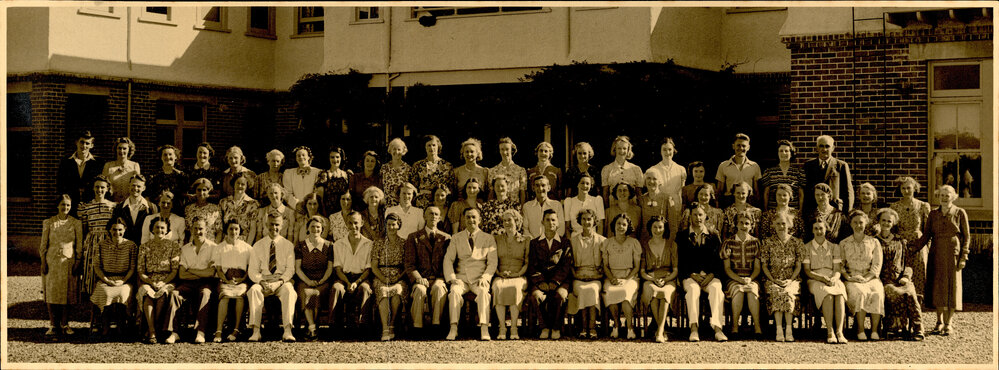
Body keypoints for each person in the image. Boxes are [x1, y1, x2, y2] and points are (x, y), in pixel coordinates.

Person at [911, 185, 970, 337]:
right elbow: (926, 235)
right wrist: (912, 249)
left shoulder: (959, 212)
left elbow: (966, 237)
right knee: (937, 287)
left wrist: (964, 256)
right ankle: (939, 321)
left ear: (954, 196)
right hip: (936, 253)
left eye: (947, 194)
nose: (944, 197)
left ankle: (949, 323)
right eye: (941, 195)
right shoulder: (933, 214)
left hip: (953, 254)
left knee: (952, 286)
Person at [443, 208, 498, 341]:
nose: (471, 220)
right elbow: (448, 259)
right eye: (468, 217)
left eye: (474, 217)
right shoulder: (456, 238)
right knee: (454, 292)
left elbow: (492, 262)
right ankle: (454, 328)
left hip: (479, 278)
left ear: (479, 220)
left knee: (484, 293)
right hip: (461, 278)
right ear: (464, 219)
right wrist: (452, 278)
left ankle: (484, 328)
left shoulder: (488, 238)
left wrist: (486, 277)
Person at [677, 202, 728, 342]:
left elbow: (718, 260)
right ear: (690, 216)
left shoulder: (713, 235)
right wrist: (692, 274)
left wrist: (711, 275)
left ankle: (718, 329)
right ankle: (694, 329)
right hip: (690, 276)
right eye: (695, 214)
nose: (698, 218)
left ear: (705, 216)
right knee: (693, 290)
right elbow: (680, 261)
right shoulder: (682, 236)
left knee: (717, 289)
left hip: (710, 276)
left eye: (700, 214)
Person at [247, 211, 298, 342]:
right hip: (264, 280)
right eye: (271, 224)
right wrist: (262, 281)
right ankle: (256, 331)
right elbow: (252, 270)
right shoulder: (258, 246)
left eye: (277, 225)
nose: (273, 228)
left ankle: (287, 330)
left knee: (289, 291)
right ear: (265, 224)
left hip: (280, 281)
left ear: (282, 226)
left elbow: (290, 269)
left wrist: (279, 282)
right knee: (253, 291)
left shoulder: (288, 245)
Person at [875, 208, 924, 341]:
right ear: (879, 221)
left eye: (889, 221)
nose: (886, 223)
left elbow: (908, 263)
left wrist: (906, 277)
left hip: (901, 279)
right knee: (895, 293)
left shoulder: (900, 241)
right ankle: (893, 327)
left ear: (893, 223)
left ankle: (918, 328)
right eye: (883, 220)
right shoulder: (874, 241)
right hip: (884, 280)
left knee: (910, 293)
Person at [39, 194, 83, 338]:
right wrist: (43, 262)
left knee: (66, 293)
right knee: (51, 293)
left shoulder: (76, 223)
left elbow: (79, 245)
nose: (65, 208)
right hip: (52, 262)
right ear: (58, 206)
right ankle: (53, 324)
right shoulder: (49, 222)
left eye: (68, 205)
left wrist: (77, 261)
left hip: (68, 263)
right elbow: (43, 245)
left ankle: (65, 324)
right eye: (63, 205)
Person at [169, 216, 218, 344]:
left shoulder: (213, 247)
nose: (198, 232)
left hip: (206, 284)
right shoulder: (185, 249)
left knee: (205, 294)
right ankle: (175, 332)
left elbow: (211, 273)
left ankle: (200, 332)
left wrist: (191, 270)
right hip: (188, 284)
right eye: (195, 228)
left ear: (206, 230)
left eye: (201, 228)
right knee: (175, 294)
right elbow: (182, 275)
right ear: (191, 229)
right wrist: (201, 273)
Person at [403, 206, 451, 331]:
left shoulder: (446, 238)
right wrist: (418, 278)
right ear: (424, 216)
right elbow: (409, 264)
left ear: (439, 218)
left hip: (439, 278)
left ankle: (436, 326)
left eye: (436, 214)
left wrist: (441, 278)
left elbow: (449, 262)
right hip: (421, 277)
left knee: (439, 288)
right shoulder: (413, 237)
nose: (433, 216)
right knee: (420, 290)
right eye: (430, 214)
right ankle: (417, 327)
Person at [840, 210, 884, 341]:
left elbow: (877, 264)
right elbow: (840, 265)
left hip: (870, 277)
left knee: (877, 292)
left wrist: (867, 278)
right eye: (855, 222)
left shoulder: (874, 242)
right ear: (850, 224)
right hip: (852, 278)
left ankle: (874, 330)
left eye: (861, 223)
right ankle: (860, 330)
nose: (858, 225)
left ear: (865, 224)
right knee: (860, 293)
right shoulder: (844, 243)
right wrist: (849, 277)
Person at [802, 219, 849, 344]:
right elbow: (807, 271)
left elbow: (837, 269)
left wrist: (835, 278)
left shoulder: (834, 247)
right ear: (812, 230)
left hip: (832, 277)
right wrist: (822, 278)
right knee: (827, 294)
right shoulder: (806, 247)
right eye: (816, 228)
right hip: (814, 278)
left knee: (839, 293)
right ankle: (830, 331)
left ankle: (839, 332)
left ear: (826, 230)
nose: (818, 231)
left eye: (821, 228)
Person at [529, 210, 573, 340]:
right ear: (542, 222)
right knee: (536, 296)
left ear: (558, 223)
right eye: (547, 220)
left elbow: (566, 265)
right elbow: (532, 265)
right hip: (541, 281)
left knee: (561, 295)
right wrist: (540, 281)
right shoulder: (534, 243)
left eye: (553, 220)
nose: (550, 223)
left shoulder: (565, 243)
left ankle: (556, 327)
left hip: (560, 281)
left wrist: (555, 282)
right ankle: (544, 327)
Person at [759, 212, 804, 342]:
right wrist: (773, 280)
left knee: (788, 291)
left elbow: (798, 266)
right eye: (778, 223)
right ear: (773, 225)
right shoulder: (767, 242)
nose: (781, 226)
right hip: (772, 279)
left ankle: (789, 329)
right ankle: (779, 329)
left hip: (792, 278)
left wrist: (790, 280)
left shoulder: (797, 242)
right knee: (777, 291)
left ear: (789, 225)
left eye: (783, 223)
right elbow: (764, 266)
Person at [136, 217, 181, 344]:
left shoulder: (173, 246)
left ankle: (155, 328)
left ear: (167, 230)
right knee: (147, 294)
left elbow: (174, 270)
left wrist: (163, 282)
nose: (159, 230)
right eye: (157, 227)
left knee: (162, 294)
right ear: (152, 229)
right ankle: (152, 331)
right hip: (148, 280)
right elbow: (141, 271)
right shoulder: (144, 247)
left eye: (162, 228)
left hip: (167, 280)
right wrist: (151, 282)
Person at [89, 217, 137, 339]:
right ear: (109, 231)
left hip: (124, 279)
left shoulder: (131, 245)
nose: (117, 233)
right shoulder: (101, 245)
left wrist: (123, 280)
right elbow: (97, 267)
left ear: (125, 230)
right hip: (106, 279)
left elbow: (132, 267)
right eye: (114, 230)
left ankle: (121, 327)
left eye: (120, 230)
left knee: (123, 292)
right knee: (105, 293)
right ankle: (105, 327)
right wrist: (106, 280)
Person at [721, 210, 762, 338]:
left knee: (752, 291)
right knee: (738, 290)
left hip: (751, 278)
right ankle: (734, 327)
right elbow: (727, 268)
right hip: (734, 278)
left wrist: (750, 279)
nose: (744, 226)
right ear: (736, 224)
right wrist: (739, 279)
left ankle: (757, 327)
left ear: (751, 225)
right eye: (741, 223)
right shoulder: (728, 242)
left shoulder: (756, 243)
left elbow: (757, 268)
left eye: (747, 223)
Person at [890, 176, 931, 303]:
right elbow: (892, 228)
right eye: (903, 188)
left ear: (914, 189)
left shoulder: (923, 206)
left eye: (909, 188)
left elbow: (928, 230)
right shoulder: (894, 207)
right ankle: (903, 302)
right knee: (902, 272)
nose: (906, 191)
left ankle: (918, 303)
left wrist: (926, 246)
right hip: (901, 244)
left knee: (919, 274)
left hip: (919, 244)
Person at [331, 211, 373, 331]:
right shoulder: (338, 244)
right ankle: (335, 326)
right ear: (347, 224)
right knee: (336, 288)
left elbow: (368, 269)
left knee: (365, 289)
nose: (353, 226)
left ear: (362, 223)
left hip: (362, 277)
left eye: (356, 223)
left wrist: (357, 282)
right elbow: (338, 269)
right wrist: (348, 283)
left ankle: (363, 326)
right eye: (350, 223)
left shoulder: (369, 244)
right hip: (344, 277)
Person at [601, 213, 641, 339]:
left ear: (628, 227)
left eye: (624, 224)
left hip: (630, 276)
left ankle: (630, 328)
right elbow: (605, 266)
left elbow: (637, 267)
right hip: (612, 276)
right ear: (614, 225)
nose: (621, 227)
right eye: (618, 224)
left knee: (625, 293)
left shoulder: (634, 243)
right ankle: (616, 326)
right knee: (610, 292)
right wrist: (612, 278)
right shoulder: (607, 243)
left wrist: (627, 279)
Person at [78, 176, 116, 309]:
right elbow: (83, 229)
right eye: (97, 187)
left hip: (107, 243)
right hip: (91, 242)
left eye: (102, 187)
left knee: (106, 273)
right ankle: (93, 310)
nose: (99, 190)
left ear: (107, 189)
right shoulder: (86, 207)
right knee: (91, 272)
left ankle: (105, 308)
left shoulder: (113, 206)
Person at [371, 213, 410, 341]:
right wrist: (383, 278)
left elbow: (407, 265)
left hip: (399, 277)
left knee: (397, 291)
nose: (391, 227)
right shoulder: (379, 242)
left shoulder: (404, 243)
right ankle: (385, 328)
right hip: (381, 276)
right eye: (389, 225)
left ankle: (392, 324)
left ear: (399, 226)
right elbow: (374, 266)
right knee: (383, 291)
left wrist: (399, 277)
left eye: (394, 224)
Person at [294, 216, 334, 341]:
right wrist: (308, 281)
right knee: (307, 293)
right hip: (305, 280)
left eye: (318, 227)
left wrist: (322, 280)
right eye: (312, 226)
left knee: (316, 294)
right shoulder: (301, 246)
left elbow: (329, 268)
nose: (315, 229)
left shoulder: (329, 245)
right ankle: (313, 327)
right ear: (307, 228)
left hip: (323, 280)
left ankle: (311, 327)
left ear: (322, 229)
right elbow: (298, 268)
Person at [492, 209, 530, 340]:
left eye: (510, 220)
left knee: (515, 287)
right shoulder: (496, 238)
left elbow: (527, 262)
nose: (507, 223)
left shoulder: (525, 239)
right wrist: (498, 273)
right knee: (497, 287)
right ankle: (502, 327)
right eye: (504, 221)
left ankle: (514, 327)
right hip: (501, 274)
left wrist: (518, 274)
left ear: (517, 221)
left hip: (519, 274)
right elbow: (492, 260)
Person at [212, 220, 252, 342]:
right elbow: (218, 269)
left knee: (240, 297)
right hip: (225, 279)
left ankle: (236, 329)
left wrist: (242, 279)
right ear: (226, 230)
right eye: (231, 229)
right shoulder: (219, 247)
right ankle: (219, 330)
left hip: (241, 280)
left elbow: (250, 267)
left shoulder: (247, 248)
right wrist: (226, 280)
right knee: (225, 297)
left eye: (236, 229)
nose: (233, 232)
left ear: (240, 231)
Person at [640, 216, 678, 343]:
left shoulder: (672, 245)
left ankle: (659, 331)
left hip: (668, 278)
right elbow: (642, 271)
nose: (657, 230)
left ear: (664, 228)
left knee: (664, 293)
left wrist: (666, 279)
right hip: (650, 279)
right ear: (650, 228)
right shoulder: (645, 245)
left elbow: (675, 270)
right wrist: (653, 279)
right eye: (655, 227)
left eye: (660, 227)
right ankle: (662, 329)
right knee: (654, 292)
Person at [568, 209, 605, 339]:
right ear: (579, 221)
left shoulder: (602, 240)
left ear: (594, 221)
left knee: (593, 288)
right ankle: (584, 328)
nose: (587, 222)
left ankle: (592, 327)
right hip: (578, 276)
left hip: (596, 276)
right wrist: (576, 276)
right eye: (584, 219)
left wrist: (596, 277)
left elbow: (605, 265)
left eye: (589, 219)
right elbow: (570, 263)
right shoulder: (573, 240)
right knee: (583, 289)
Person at [645, 138, 686, 240]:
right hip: (660, 207)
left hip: (676, 208)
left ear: (673, 150)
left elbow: (683, 191)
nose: (667, 152)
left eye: (670, 149)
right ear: (660, 151)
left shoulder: (681, 169)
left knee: (674, 235)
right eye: (664, 149)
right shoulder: (653, 169)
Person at [804, 135, 854, 213]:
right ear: (817, 148)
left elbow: (848, 191)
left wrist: (847, 212)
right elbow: (806, 191)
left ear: (833, 148)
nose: (824, 149)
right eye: (821, 146)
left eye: (827, 146)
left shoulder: (841, 166)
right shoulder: (808, 165)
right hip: (814, 211)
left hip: (835, 210)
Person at [58, 131, 104, 215]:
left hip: (91, 205)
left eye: (87, 143)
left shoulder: (99, 163)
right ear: (76, 142)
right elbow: (61, 185)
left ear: (91, 145)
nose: (84, 146)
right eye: (82, 142)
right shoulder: (65, 162)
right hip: (70, 206)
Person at [715, 133, 761, 208]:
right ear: (733, 146)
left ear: (748, 147)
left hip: (748, 201)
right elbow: (719, 191)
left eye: (744, 146)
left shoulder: (754, 166)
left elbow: (756, 191)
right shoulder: (723, 165)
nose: (741, 148)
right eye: (738, 145)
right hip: (729, 201)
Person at [411, 135, 455, 208]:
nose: (431, 148)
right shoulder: (417, 165)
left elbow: (451, 187)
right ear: (425, 147)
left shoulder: (447, 165)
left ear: (438, 146)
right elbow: (414, 187)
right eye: (429, 145)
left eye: (434, 145)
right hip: (422, 202)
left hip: (441, 201)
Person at [760, 140, 806, 210]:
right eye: (781, 151)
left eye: (786, 151)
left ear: (791, 153)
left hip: (793, 212)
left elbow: (800, 195)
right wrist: (766, 211)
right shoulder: (769, 172)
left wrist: (800, 212)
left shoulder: (798, 172)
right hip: (774, 212)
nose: (783, 153)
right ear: (777, 153)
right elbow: (766, 194)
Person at [111, 174, 155, 243]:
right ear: (129, 186)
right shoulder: (119, 208)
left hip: (144, 247)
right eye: (133, 185)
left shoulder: (151, 207)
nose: (135, 188)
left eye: (139, 186)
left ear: (144, 188)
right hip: (125, 248)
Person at [601, 136, 643, 205]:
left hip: (632, 206)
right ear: (615, 149)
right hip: (613, 206)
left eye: (624, 148)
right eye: (619, 148)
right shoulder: (607, 169)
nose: (621, 151)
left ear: (628, 150)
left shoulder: (636, 169)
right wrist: (607, 211)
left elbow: (639, 193)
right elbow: (605, 193)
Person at [220, 172, 259, 243]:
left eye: (243, 184)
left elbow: (253, 229)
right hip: (226, 242)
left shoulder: (252, 204)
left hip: (244, 243)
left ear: (247, 186)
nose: (240, 186)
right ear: (234, 184)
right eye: (238, 183)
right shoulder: (224, 202)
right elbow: (221, 227)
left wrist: (248, 246)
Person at [488, 137, 528, 205]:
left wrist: (522, 210)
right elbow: (491, 193)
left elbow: (522, 193)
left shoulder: (520, 170)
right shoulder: (493, 171)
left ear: (512, 150)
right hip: (498, 209)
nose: (504, 152)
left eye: (507, 149)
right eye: (502, 149)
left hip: (515, 208)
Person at [102, 137, 141, 203]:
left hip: (129, 203)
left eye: (124, 148)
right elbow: (103, 186)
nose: (121, 151)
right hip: (111, 203)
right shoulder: (108, 166)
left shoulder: (135, 166)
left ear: (129, 150)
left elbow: (138, 186)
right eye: (119, 148)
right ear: (116, 150)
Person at [315, 146, 352, 215]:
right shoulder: (324, 175)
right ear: (329, 159)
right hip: (328, 212)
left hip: (344, 212)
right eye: (332, 157)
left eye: (337, 157)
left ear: (341, 158)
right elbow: (320, 198)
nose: (335, 159)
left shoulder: (347, 175)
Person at [185, 178, 223, 243]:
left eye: (204, 190)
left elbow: (219, 231)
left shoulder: (215, 209)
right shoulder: (189, 209)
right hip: (193, 245)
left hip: (210, 245)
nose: (201, 193)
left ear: (208, 191)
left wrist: (215, 246)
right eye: (199, 190)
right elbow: (187, 231)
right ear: (195, 191)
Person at [380, 138, 412, 207]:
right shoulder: (384, 168)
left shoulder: (408, 169)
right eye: (394, 149)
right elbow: (380, 186)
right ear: (390, 150)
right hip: (387, 204)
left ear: (403, 151)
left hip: (402, 204)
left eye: (399, 149)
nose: (396, 152)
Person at [639, 170, 668, 241]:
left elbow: (673, 224)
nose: (651, 181)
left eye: (654, 179)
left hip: (662, 239)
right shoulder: (640, 199)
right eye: (648, 178)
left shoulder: (667, 199)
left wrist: (669, 243)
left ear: (659, 182)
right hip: (645, 240)